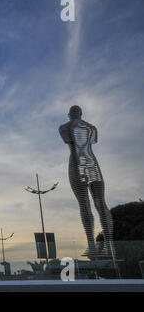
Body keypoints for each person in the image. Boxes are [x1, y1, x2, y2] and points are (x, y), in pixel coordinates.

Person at [59, 105, 114, 259]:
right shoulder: (92, 128)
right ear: (81, 114)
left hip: (77, 163)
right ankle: (110, 247)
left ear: (69, 114)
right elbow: (91, 143)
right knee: (101, 203)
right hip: (93, 164)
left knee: (84, 203)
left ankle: (92, 246)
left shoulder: (64, 127)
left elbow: (70, 143)